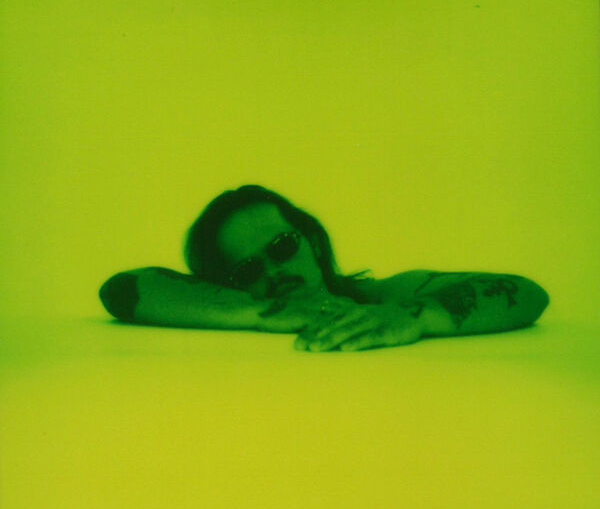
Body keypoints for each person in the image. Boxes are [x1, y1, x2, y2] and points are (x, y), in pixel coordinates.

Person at [99, 185, 550, 352]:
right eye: (248, 269)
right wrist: (261, 313)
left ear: (311, 241)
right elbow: (121, 289)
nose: (275, 272)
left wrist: (412, 318)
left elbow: (527, 292)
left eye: (282, 246)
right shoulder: (223, 308)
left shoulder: (379, 298)